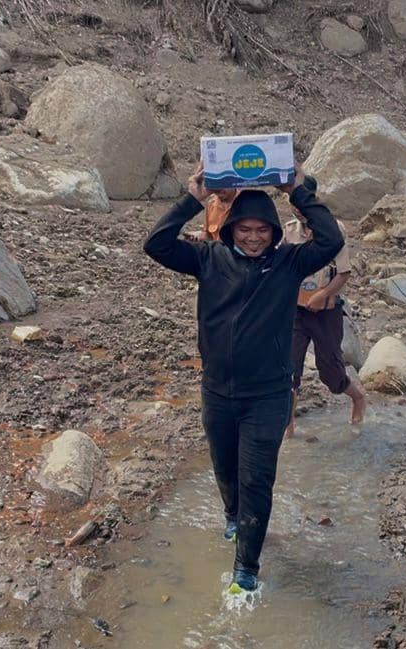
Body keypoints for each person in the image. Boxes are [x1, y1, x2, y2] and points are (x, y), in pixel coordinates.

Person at [144, 162, 343, 593]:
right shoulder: (206, 258)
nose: (253, 237)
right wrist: (192, 199)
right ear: (231, 228)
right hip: (217, 391)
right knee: (226, 471)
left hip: (268, 395)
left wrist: (296, 190)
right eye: (245, 229)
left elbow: (332, 239)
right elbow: (155, 244)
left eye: (262, 230)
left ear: (274, 232)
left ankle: (246, 571)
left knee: (257, 478)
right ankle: (234, 517)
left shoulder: (290, 263)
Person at [282, 175, 366, 437]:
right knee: (288, 370)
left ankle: (358, 397)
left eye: (303, 201)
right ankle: (288, 430)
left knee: (330, 373)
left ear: (314, 199)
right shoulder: (289, 230)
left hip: (326, 313)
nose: (298, 207)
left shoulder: (333, 228)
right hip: (295, 312)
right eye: (293, 202)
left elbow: (344, 272)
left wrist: (323, 295)